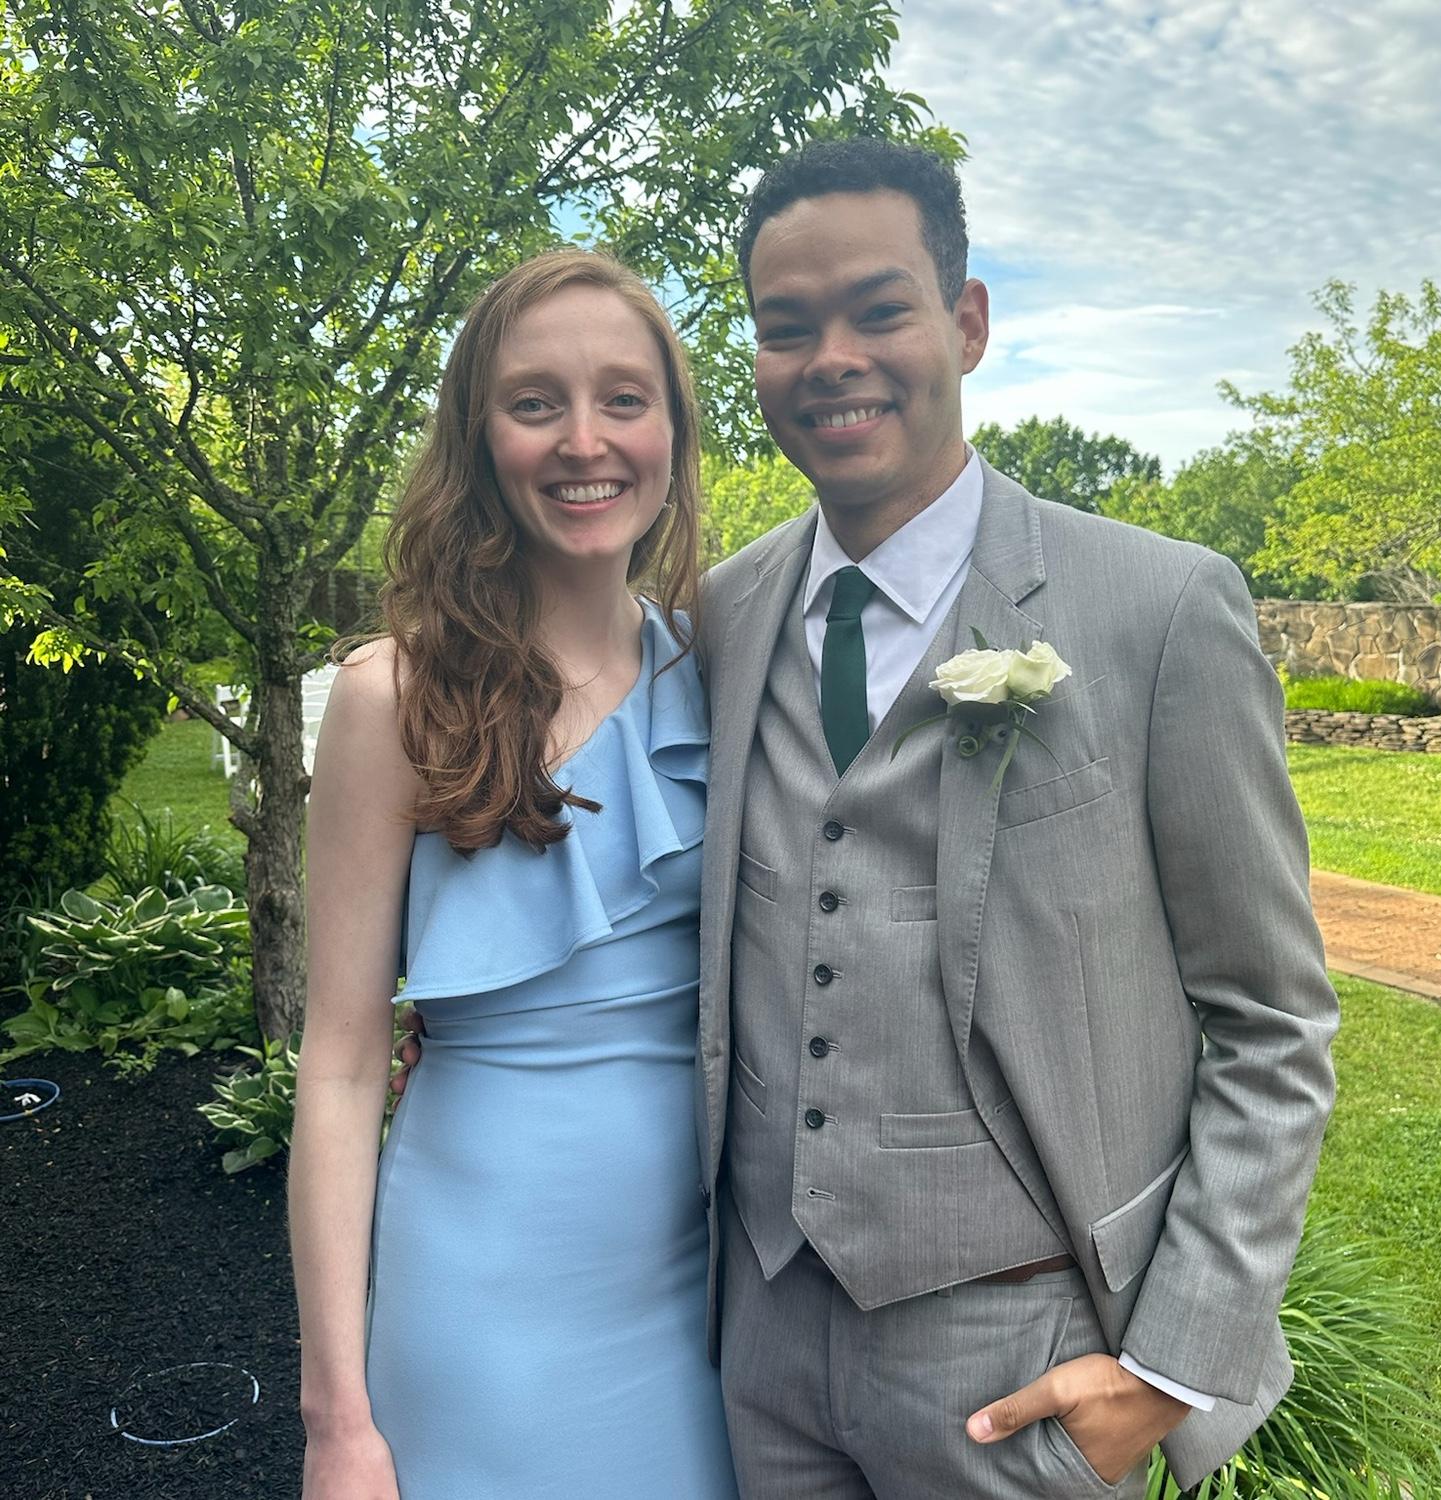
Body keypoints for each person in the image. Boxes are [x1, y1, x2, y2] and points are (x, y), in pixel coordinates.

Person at [399, 140, 1339, 1497]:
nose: (831, 358)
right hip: (759, 1341)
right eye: (787, 328)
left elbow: (1272, 1017)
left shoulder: (1161, 609)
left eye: (879, 310)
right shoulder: (720, 616)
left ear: (968, 322)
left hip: (1023, 1354)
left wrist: (1173, 1367)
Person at [288, 249, 739, 1500]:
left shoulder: (725, 669)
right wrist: (336, 1423)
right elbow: (339, 1062)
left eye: (623, 399)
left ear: (673, 431)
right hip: (482, 1295)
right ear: (479, 437)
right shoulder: (394, 695)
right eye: (536, 402)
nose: (584, 441)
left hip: (708, 1302)